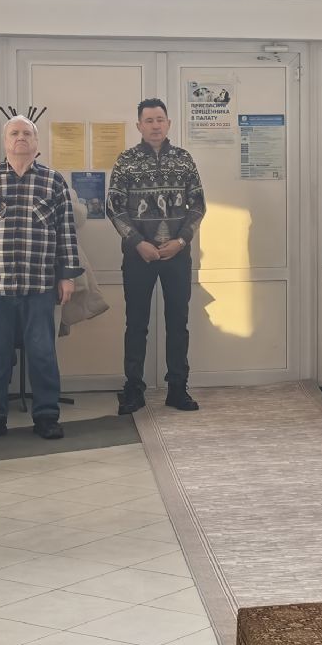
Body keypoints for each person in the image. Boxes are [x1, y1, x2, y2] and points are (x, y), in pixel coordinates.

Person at [0, 116, 81, 441]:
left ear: (36, 142)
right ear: (5, 142)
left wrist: (67, 276)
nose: (21, 137)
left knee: (43, 353)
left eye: (27, 133)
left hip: (40, 284)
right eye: (14, 133)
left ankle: (46, 416)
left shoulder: (53, 182)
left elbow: (66, 233)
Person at [107, 98, 206, 414]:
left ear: (168, 123)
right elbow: (114, 207)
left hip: (177, 255)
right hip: (139, 256)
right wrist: (138, 242)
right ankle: (133, 389)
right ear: (139, 125)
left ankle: (177, 388)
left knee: (178, 322)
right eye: (148, 120)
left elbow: (198, 205)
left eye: (160, 119)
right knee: (136, 323)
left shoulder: (183, 159)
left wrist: (181, 240)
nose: (155, 125)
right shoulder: (126, 161)